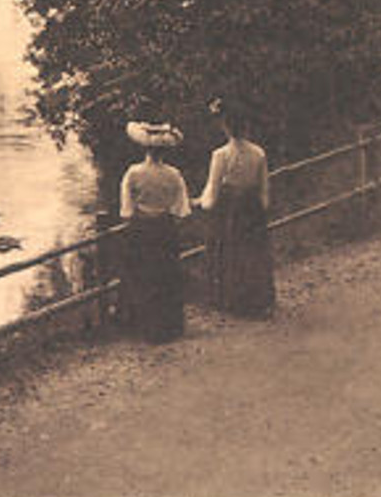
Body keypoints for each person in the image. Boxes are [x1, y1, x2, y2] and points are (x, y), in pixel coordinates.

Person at [194, 97, 276, 317]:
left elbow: (212, 188)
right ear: (245, 126)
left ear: (226, 127)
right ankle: (257, 299)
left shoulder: (220, 155)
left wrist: (203, 203)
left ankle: (233, 300)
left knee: (231, 251)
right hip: (252, 207)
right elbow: (264, 187)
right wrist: (263, 207)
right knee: (253, 251)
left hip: (230, 209)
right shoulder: (258, 153)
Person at [118, 120, 191, 342]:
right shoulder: (174, 174)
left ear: (145, 148)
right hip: (165, 229)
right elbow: (182, 209)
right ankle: (168, 326)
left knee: (143, 277)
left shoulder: (133, 173)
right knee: (166, 277)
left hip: (141, 230)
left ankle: (144, 327)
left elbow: (126, 211)